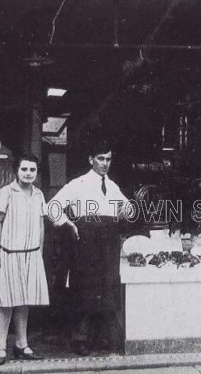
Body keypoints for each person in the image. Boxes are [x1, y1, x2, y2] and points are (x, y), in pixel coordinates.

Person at [48, 138, 131, 356]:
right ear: (91, 159)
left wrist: (126, 210)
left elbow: (128, 207)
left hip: (109, 242)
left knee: (106, 289)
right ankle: (80, 339)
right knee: (86, 289)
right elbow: (52, 207)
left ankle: (101, 338)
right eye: (101, 158)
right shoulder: (78, 184)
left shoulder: (112, 186)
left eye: (109, 159)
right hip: (87, 242)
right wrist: (68, 224)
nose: (105, 163)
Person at [0, 153, 49, 365]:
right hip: (8, 254)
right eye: (24, 169)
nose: (28, 173)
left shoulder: (38, 194)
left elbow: (40, 225)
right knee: (6, 302)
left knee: (24, 301)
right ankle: (1, 347)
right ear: (16, 171)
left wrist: (39, 253)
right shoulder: (6, 192)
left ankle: (22, 344)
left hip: (31, 254)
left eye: (32, 170)